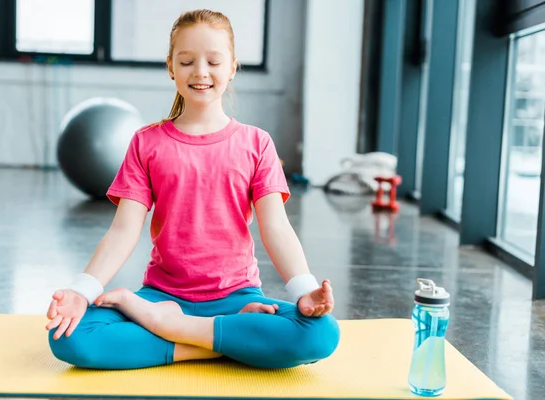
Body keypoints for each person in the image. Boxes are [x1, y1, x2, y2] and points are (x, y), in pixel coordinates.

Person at [45, 8, 340, 370]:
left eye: (214, 61)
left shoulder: (257, 143)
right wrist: (81, 292)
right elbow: (124, 230)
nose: (200, 72)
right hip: (162, 296)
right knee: (69, 336)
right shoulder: (146, 142)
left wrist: (303, 291)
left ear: (232, 67)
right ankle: (225, 342)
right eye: (187, 61)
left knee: (322, 333)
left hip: (237, 298)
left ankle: (173, 331)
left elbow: (276, 228)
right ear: (171, 66)